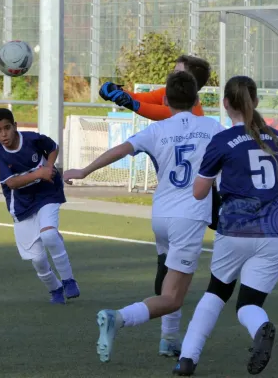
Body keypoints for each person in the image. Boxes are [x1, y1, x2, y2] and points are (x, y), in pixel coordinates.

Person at [62, 70, 225, 363]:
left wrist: (84, 171)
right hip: (188, 218)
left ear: (165, 99)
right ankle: (118, 318)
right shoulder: (212, 126)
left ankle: (169, 339)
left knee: (167, 280)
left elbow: (121, 150)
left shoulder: (158, 129)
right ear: (197, 98)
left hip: (161, 215)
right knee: (173, 295)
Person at [172, 76, 278, 376]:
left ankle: (187, 358)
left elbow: (199, 191)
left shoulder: (223, 140)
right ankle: (261, 326)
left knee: (216, 292)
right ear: (255, 102)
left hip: (237, 227)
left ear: (226, 103)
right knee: (249, 303)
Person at [0, 108, 80, 305]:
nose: (4, 134)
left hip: (47, 193)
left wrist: (49, 166)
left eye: (7, 128)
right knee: (38, 259)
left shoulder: (32, 139)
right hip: (21, 204)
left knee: (49, 234)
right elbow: (12, 183)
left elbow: (53, 147)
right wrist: (39, 173)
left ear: (15, 126)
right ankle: (55, 289)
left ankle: (68, 280)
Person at [98, 55, 211, 120]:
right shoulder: (168, 92)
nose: (172, 75)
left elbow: (163, 112)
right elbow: (141, 97)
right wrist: (118, 90)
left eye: (178, 73)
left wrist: (131, 104)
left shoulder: (193, 108)